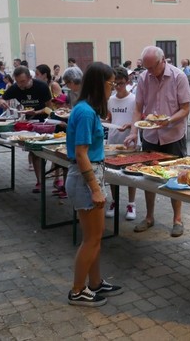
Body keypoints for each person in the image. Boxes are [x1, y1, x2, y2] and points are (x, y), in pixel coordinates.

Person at [65, 62, 123, 307]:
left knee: (96, 237)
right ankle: (77, 290)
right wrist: (96, 188)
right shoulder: (86, 112)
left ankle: (96, 282)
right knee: (91, 239)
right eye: (112, 83)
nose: (114, 88)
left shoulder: (86, 109)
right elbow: (81, 153)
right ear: (100, 84)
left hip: (88, 176)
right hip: (84, 178)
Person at [124, 46, 190, 237]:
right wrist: (134, 132)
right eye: (146, 68)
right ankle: (149, 216)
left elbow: (186, 108)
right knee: (147, 177)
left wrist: (168, 120)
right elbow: (138, 107)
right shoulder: (144, 77)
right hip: (150, 135)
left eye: (152, 67)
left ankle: (177, 219)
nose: (149, 72)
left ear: (163, 61)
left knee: (175, 177)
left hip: (173, 134)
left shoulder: (179, 77)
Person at [0, 67, 54, 193]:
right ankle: (40, 181)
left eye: (23, 81)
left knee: (51, 151)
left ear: (30, 78)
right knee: (34, 151)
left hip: (45, 122)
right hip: (29, 123)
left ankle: (57, 177)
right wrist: (0, 102)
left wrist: (36, 111)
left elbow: (50, 108)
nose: (20, 85)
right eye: (18, 81)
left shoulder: (41, 86)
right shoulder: (16, 87)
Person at [105, 67, 138, 221]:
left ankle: (131, 203)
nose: (118, 87)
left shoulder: (133, 99)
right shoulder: (111, 99)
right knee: (112, 174)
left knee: (131, 174)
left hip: (129, 141)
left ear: (128, 82)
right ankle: (114, 201)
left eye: (121, 83)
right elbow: (110, 118)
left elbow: (138, 119)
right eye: (115, 84)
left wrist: (130, 126)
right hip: (113, 139)